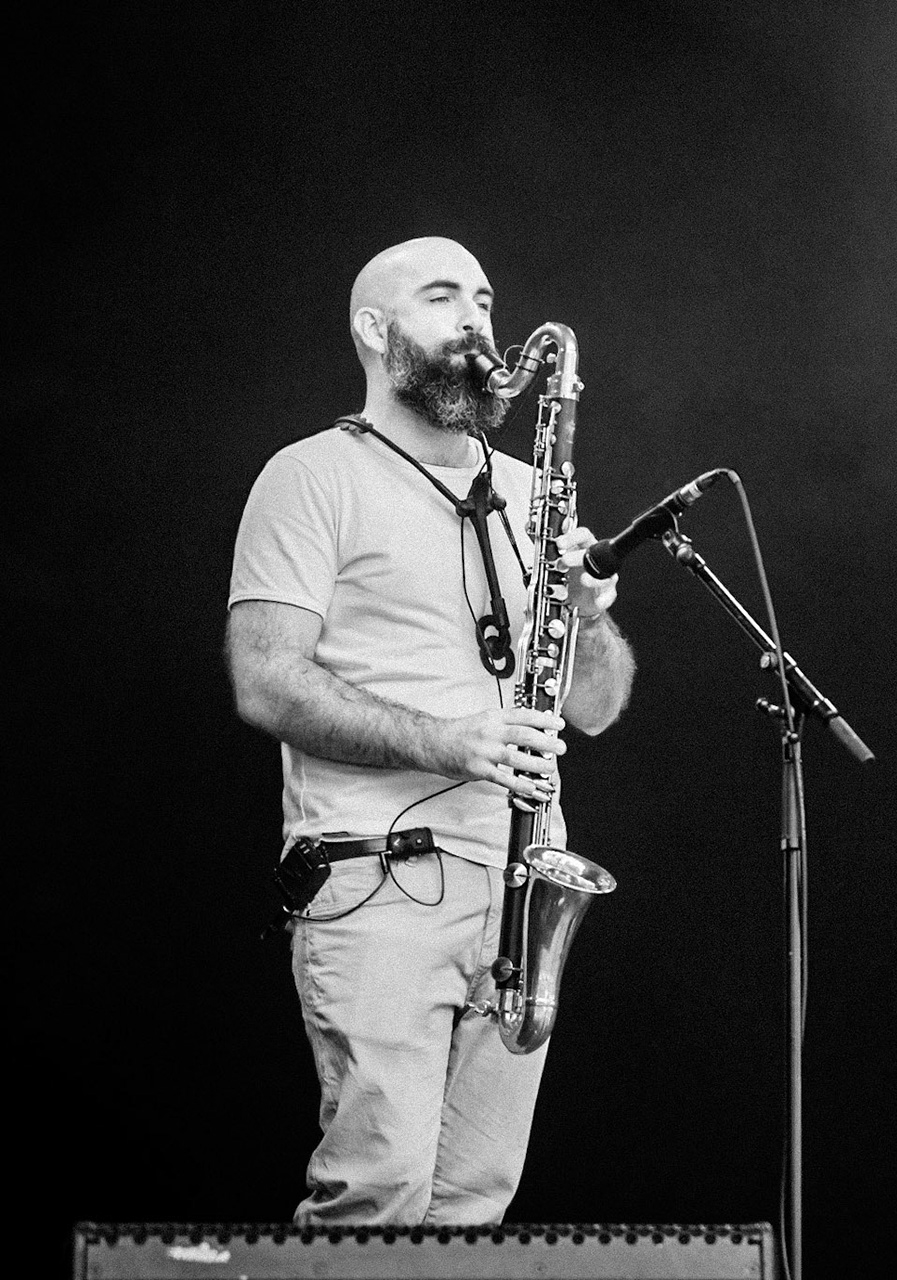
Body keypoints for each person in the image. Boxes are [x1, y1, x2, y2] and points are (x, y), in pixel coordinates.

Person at [226, 236, 638, 1225]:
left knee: (474, 1208)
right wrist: (451, 740)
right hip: (380, 873)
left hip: (520, 883)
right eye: (443, 297)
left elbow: (598, 703)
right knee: (381, 1191)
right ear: (375, 328)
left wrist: (585, 609)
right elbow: (265, 680)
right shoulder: (313, 474)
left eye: (486, 299)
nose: (477, 323)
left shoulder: (535, 494)